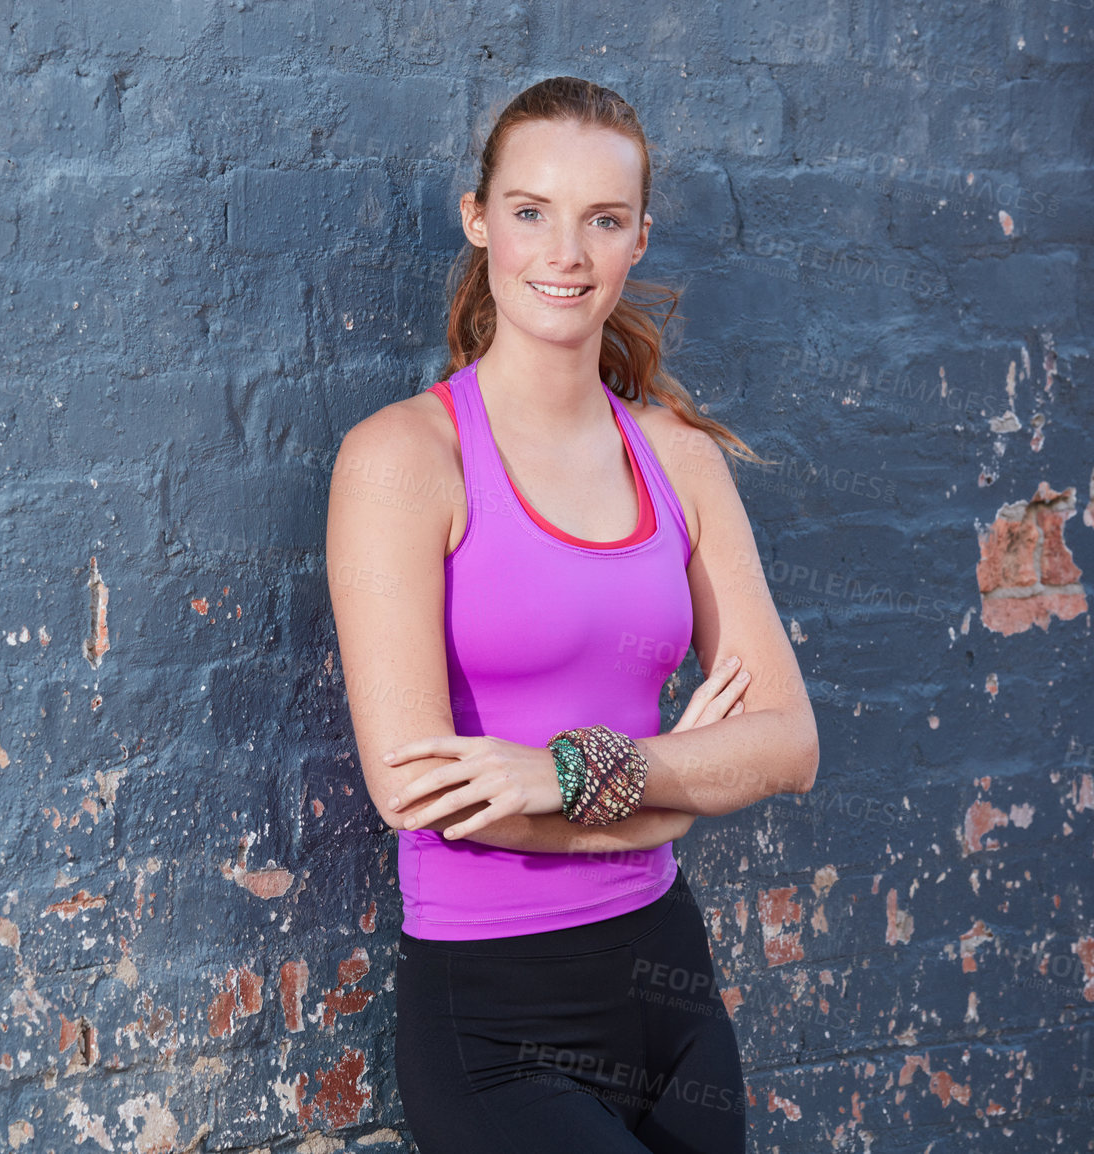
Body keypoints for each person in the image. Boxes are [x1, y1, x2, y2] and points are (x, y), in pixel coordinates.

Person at [324, 77, 820, 1153]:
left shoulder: (678, 458)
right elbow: (421, 791)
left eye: (602, 219)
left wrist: (561, 772)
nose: (565, 252)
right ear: (478, 219)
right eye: (530, 210)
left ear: (639, 237)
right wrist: (678, 790)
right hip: (495, 1019)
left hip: (668, 990)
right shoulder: (404, 460)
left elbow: (786, 742)